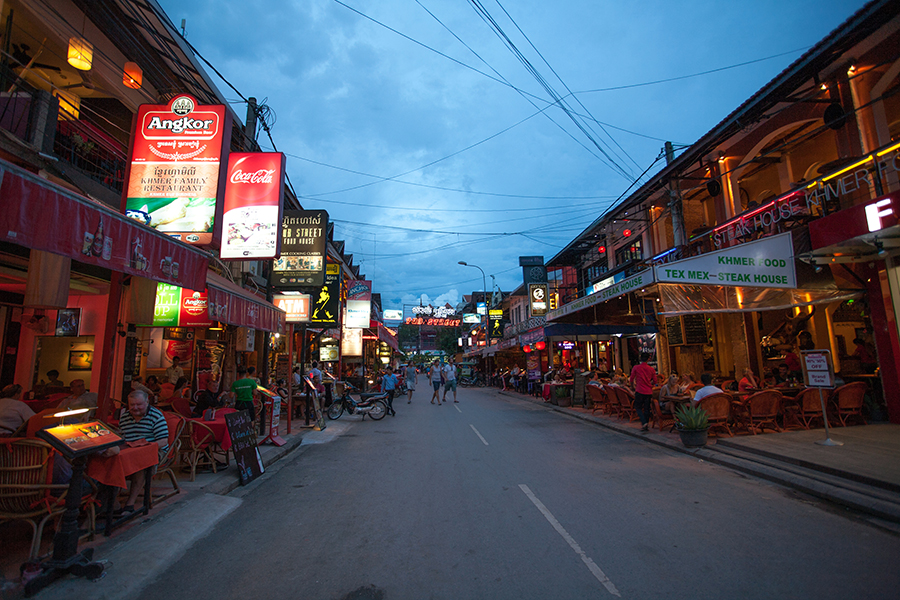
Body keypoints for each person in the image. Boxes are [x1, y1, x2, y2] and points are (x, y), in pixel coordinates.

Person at [101, 390, 168, 514]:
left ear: (147, 402)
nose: (135, 408)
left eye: (139, 404)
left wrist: (144, 449)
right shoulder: (125, 416)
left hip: (153, 451)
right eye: (132, 405)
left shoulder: (156, 416)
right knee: (111, 462)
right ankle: (112, 503)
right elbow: (123, 437)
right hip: (130, 450)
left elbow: (163, 441)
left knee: (141, 464)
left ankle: (130, 503)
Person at [629, 353, 656, 432]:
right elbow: (655, 380)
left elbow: (631, 378)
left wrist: (632, 386)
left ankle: (644, 422)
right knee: (647, 408)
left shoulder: (636, 367)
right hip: (648, 391)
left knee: (638, 407)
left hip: (639, 390)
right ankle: (646, 423)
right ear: (648, 359)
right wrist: (649, 384)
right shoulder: (651, 369)